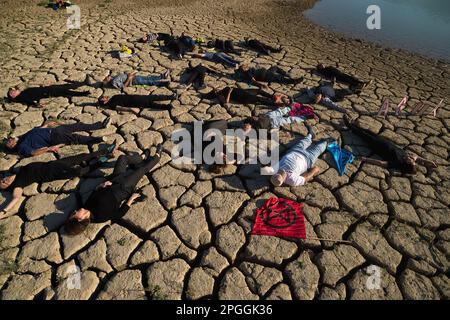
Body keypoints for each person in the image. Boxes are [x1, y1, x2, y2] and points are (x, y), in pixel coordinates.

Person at [64, 144, 163, 235]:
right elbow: (119, 214)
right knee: (141, 170)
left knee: (122, 158)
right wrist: (130, 199)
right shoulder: (100, 217)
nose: (75, 210)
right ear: (80, 219)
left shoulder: (85, 206)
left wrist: (101, 185)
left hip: (113, 181)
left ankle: (142, 157)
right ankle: (157, 157)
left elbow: (94, 193)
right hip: (123, 189)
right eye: (74, 214)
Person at [0, 144, 116, 219]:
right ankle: (105, 158)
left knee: (82, 156)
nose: (4, 180)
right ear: (7, 187)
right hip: (55, 173)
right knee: (80, 171)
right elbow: (15, 199)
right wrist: (3, 212)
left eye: (2, 180)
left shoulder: (15, 172)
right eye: (4, 184)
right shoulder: (17, 186)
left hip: (54, 164)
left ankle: (106, 150)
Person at [343, 115, 437, 174]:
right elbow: (417, 157)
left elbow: (381, 163)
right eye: (412, 160)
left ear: (406, 164)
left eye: (411, 161)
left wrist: (364, 159)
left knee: (362, 135)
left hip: (376, 146)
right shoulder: (406, 158)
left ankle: (349, 126)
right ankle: (353, 124)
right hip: (384, 141)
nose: (411, 158)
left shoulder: (397, 163)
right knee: (368, 131)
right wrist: (428, 161)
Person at [261, 125, 331, 186]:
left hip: (294, 151)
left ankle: (311, 135)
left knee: (303, 142)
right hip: (307, 159)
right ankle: (327, 141)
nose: (282, 171)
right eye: (282, 173)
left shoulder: (275, 170)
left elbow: (265, 169)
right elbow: (305, 178)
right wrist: (313, 171)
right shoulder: (292, 180)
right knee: (318, 149)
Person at [5, 118, 111, 157]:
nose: (10, 140)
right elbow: (33, 153)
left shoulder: (22, 137)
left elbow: (36, 131)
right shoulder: (22, 147)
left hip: (54, 130)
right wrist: (48, 149)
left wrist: (46, 125)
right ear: (12, 147)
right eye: (8, 143)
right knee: (76, 138)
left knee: (78, 125)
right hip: (53, 138)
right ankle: (97, 140)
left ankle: (100, 125)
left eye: (9, 139)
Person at [7, 76, 93, 108]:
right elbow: (28, 101)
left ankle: (85, 90)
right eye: (12, 91)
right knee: (67, 89)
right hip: (49, 92)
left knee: (66, 89)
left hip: (48, 89)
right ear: (14, 96)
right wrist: (36, 104)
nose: (14, 90)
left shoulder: (22, 93)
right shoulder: (22, 96)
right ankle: (85, 87)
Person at [243, 102, 316, 131]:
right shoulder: (256, 132)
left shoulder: (248, 121)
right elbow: (267, 133)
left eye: (245, 126)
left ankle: (290, 107)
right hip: (273, 123)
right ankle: (305, 117)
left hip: (268, 116)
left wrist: (252, 120)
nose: (247, 126)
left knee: (279, 111)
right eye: (246, 128)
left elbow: (252, 118)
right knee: (289, 119)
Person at [98, 93, 176, 114]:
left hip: (136, 97)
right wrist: (131, 110)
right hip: (135, 102)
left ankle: (171, 97)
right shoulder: (111, 104)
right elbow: (120, 108)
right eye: (103, 97)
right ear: (104, 101)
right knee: (152, 104)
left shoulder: (113, 97)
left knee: (155, 97)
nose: (104, 96)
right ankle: (168, 107)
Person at [201, 86, 279, 107]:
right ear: (216, 94)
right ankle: (275, 104)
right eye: (215, 91)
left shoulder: (222, 90)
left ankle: (272, 97)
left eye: (215, 89)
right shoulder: (220, 96)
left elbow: (213, 87)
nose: (216, 89)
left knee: (259, 91)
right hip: (243, 98)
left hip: (244, 91)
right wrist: (230, 92)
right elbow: (226, 102)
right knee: (259, 99)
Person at [235, 65, 303, 88]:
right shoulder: (248, 73)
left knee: (275, 67)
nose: (245, 66)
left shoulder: (249, 69)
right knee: (279, 78)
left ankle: (285, 74)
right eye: (244, 67)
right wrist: (261, 85)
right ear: (243, 70)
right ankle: (294, 81)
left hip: (268, 71)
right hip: (266, 76)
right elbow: (253, 80)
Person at [103, 71, 170, 91]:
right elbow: (123, 86)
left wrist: (129, 74)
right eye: (106, 78)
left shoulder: (114, 77)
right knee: (149, 82)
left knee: (148, 78)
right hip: (133, 80)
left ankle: (162, 76)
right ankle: (164, 84)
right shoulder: (114, 82)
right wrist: (129, 78)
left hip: (134, 77)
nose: (107, 77)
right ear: (107, 81)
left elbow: (123, 77)